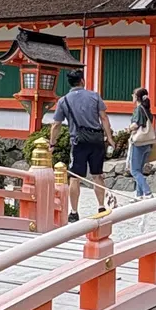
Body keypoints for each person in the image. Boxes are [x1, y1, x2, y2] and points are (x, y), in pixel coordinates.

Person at [47, 67, 113, 222]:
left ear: (70, 83)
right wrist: (109, 137)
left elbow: (56, 124)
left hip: (78, 141)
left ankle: (74, 211)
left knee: (75, 177)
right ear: (82, 81)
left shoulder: (63, 101)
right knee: (98, 175)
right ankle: (101, 206)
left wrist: (52, 143)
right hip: (96, 139)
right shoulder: (95, 96)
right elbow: (104, 118)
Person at [127, 86, 156, 199]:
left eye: (133, 95)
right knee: (139, 169)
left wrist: (128, 128)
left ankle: (147, 192)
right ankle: (139, 195)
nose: (132, 97)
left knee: (134, 170)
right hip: (147, 142)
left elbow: (136, 124)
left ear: (137, 97)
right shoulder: (147, 109)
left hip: (138, 142)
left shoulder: (139, 109)